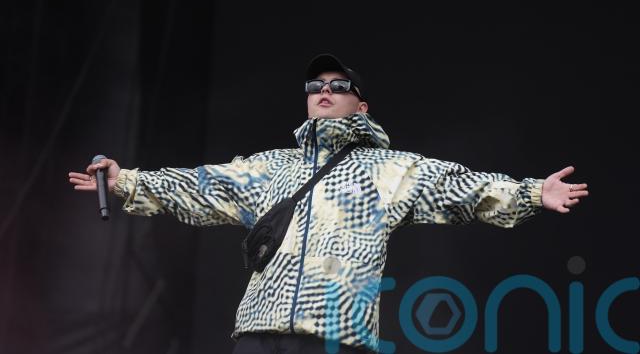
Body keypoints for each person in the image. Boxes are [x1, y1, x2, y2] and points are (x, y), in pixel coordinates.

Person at [68, 53, 588, 353]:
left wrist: (530, 192)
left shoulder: (390, 169)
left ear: (361, 106)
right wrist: (126, 181)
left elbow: (462, 187)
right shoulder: (273, 167)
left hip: (336, 337)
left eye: (339, 85)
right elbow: (201, 185)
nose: (324, 90)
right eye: (315, 85)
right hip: (259, 332)